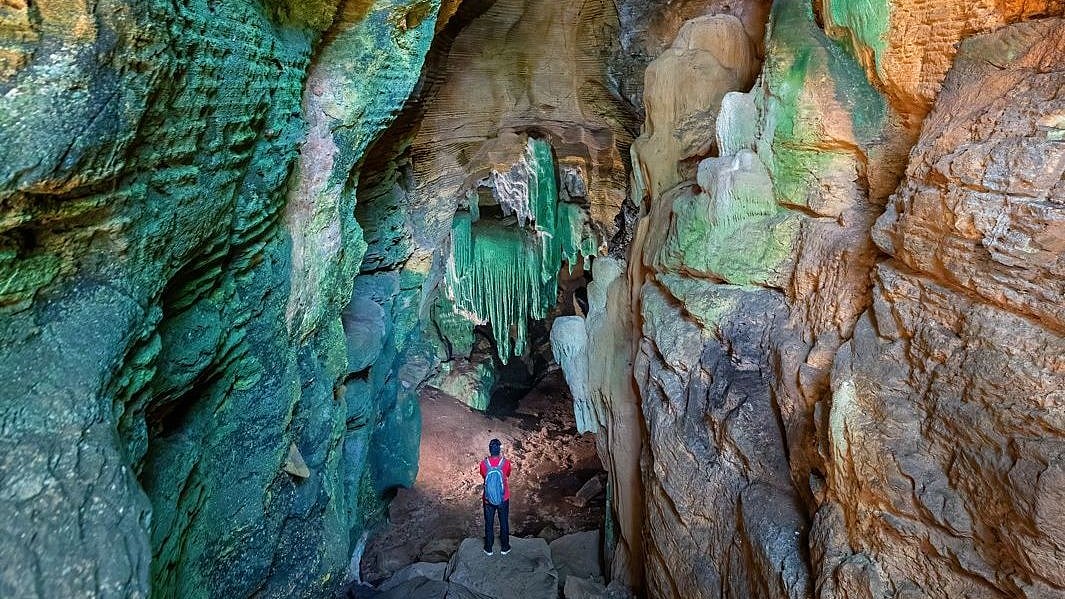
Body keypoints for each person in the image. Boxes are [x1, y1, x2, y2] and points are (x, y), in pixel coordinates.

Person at [479, 438, 512, 556]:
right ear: (499, 450)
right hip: (503, 498)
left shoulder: (483, 463)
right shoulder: (506, 463)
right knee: (504, 522)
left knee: (489, 523)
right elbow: (507, 474)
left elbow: (483, 475)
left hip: (488, 499)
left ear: (490, 450)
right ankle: (505, 548)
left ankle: (488, 548)